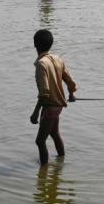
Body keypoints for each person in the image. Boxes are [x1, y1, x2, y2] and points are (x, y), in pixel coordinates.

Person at [30, 29, 77, 165]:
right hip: (58, 106)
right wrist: (71, 93)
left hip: (50, 107)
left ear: (35, 45)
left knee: (39, 141)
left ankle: (43, 172)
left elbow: (44, 93)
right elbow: (69, 80)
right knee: (54, 134)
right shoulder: (57, 59)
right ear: (50, 44)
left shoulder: (41, 64)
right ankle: (61, 162)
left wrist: (35, 112)